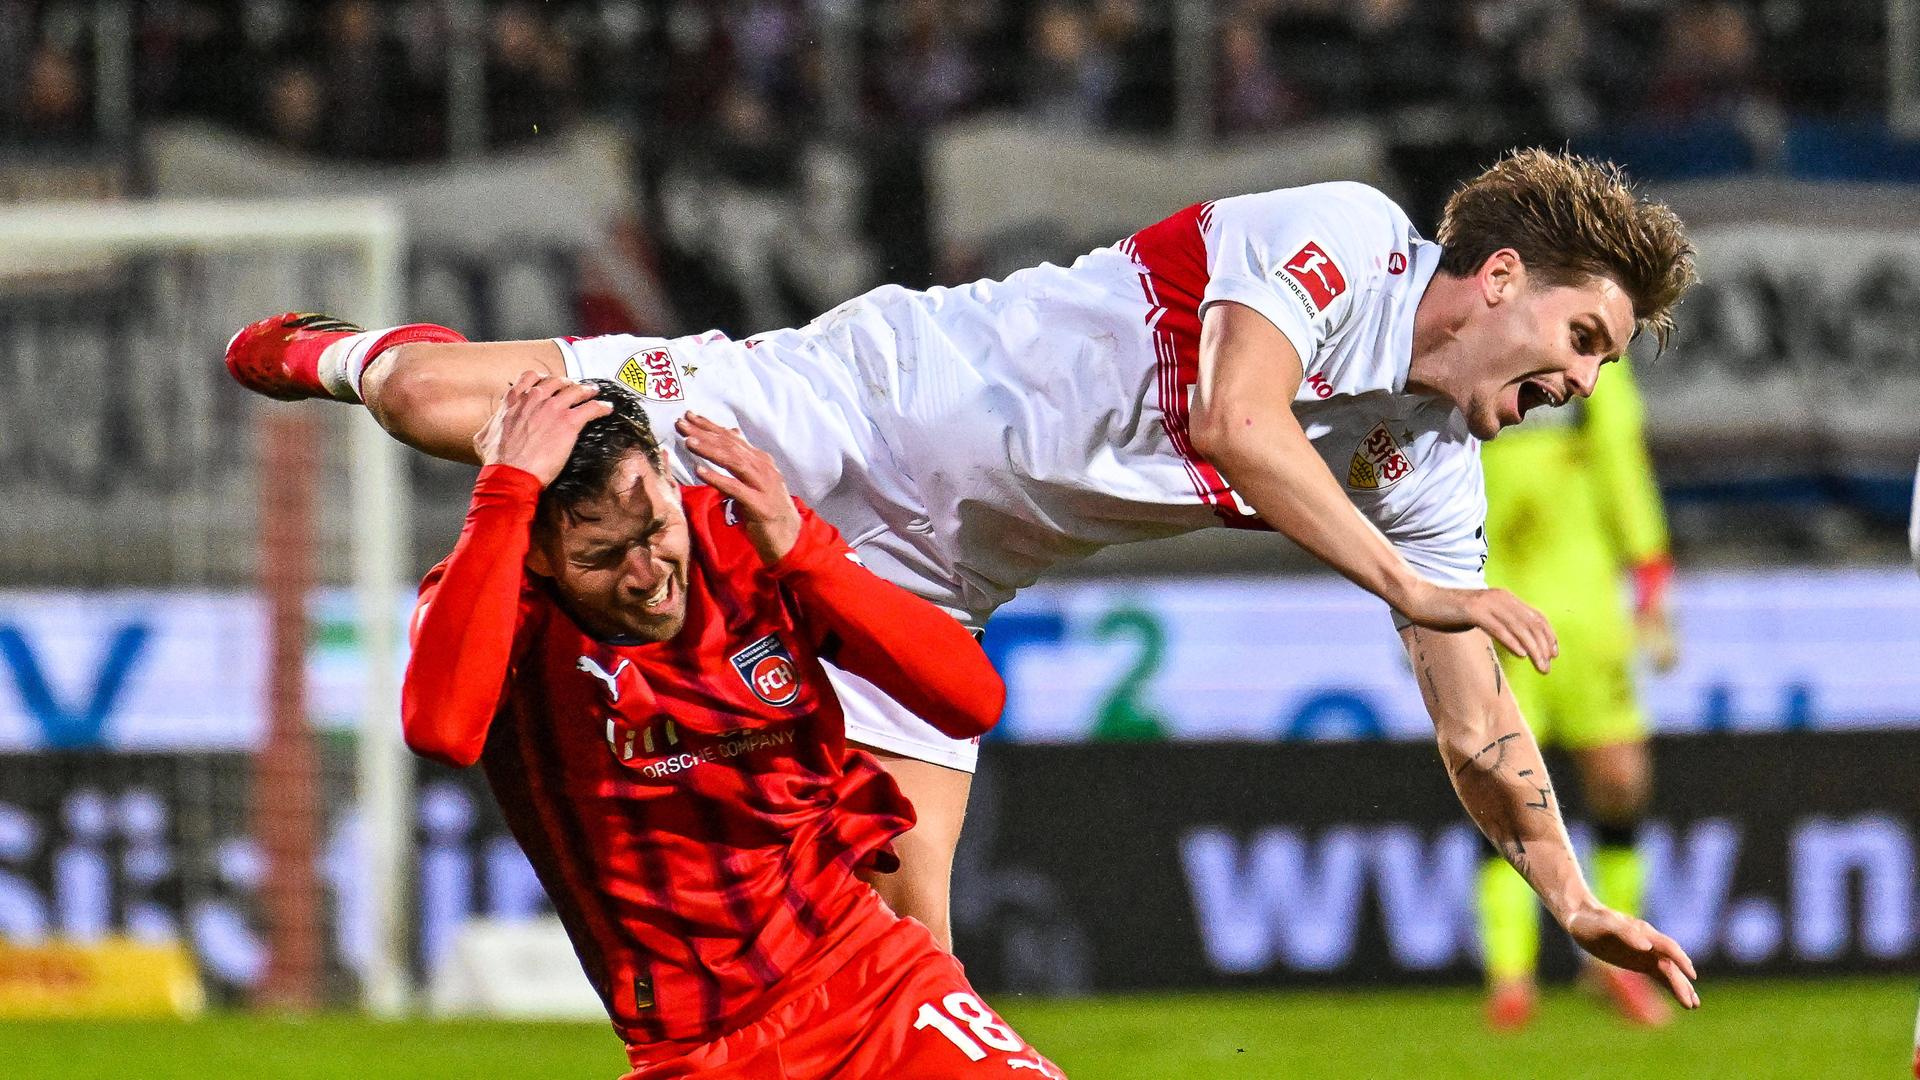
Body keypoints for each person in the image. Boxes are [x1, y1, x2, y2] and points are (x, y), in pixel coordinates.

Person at [227, 148, 1702, 1005]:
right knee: (443, 413)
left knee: (907, 965)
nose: (1582, 381)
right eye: (1585, 337)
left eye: (1603, 365)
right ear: (1500, 276)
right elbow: (1233, 421)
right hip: (848, 410)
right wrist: (1409, 586)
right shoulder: (1346, 243)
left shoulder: (1431, 473)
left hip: (936, 583)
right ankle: (326, 349)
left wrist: (1568, 893)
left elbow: (1476, 727)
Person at [402, 373, 1062, 1078]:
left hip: (877, 980)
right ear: (533, 549)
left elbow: (971, 700)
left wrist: (805, 552)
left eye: (655, 528)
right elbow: (442, 730)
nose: (647, 572)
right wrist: (504, 492)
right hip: (699, 1050)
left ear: (662, 471)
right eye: (601, 557)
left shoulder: (742, 530)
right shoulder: (499, 596)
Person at [1477, 356, 1679, 1030]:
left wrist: (1650, 587)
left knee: (1619, 780)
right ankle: (1511, 976)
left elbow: (1626, 472)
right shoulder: (1470, 360)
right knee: (1504, 787)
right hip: (1495, 603)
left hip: (1589, 610)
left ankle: (1612, 966)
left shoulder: (1597, 374)